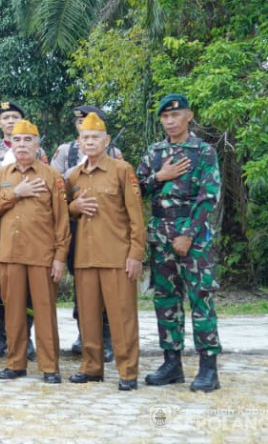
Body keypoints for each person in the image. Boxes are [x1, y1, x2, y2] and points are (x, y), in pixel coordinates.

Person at [136, 93, 222, 393]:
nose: (170, 121)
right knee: (166, 301)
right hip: (160, 238)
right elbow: (137, 189)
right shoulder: (154, 152)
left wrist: (188, 234)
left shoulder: (203, 152)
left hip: (192, 239)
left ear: (189, 116)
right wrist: (160, 176)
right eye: (165, 117)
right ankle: (172, 363)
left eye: (175, 115)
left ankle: (208, 368)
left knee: (201, 299)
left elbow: (208, 197)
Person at [0, 119, 70, 384]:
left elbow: (62, 221)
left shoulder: (51, 176)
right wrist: (17, 193)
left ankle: (49, 366)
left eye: (28, 140)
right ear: (11, 144)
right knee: (13, 312)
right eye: (18, 140)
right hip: (10, 255)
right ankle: (15, 363)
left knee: (44, 312)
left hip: (41, 256)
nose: (22, 145)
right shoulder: (2, 175)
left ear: (37, 144)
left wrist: (59, 258)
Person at [65, 113, 145, 391]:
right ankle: (91, 367)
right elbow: (62, 211)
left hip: (117, 256)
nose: (90, 142)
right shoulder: (73, 176)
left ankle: (127, 371)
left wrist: (136, 254)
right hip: (85, 257)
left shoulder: (122, 170)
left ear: (106, 140)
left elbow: (137, 217)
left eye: (95, 137)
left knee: (122, 317)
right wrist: (74, 208)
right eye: (85, 137)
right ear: (79, 142)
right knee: (87, 317)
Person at [52, 104, 123, 359]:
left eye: (91, 124)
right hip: (76, 227)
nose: (85, 128)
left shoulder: (115, 154)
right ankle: (85, 334)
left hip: (106, 228)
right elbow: (55, 184)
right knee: (83, 285)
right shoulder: (65, 151)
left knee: (106, 287)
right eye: (80, 124)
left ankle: (107, 338)